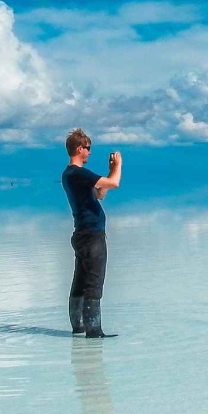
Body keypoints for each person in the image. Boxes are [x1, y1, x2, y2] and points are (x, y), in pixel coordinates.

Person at [62, 129, 122, 338]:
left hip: (82, 234)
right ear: (79, 148)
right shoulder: (78, 173)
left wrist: (108, 170)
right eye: (88, 148)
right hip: (92, 236)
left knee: (80, 280)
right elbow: (114, 183)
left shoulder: (70, 175)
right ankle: (94, 332)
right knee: (94, 282)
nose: (89, 153)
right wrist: (118, 166)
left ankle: (78, 327)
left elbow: (100, 194)